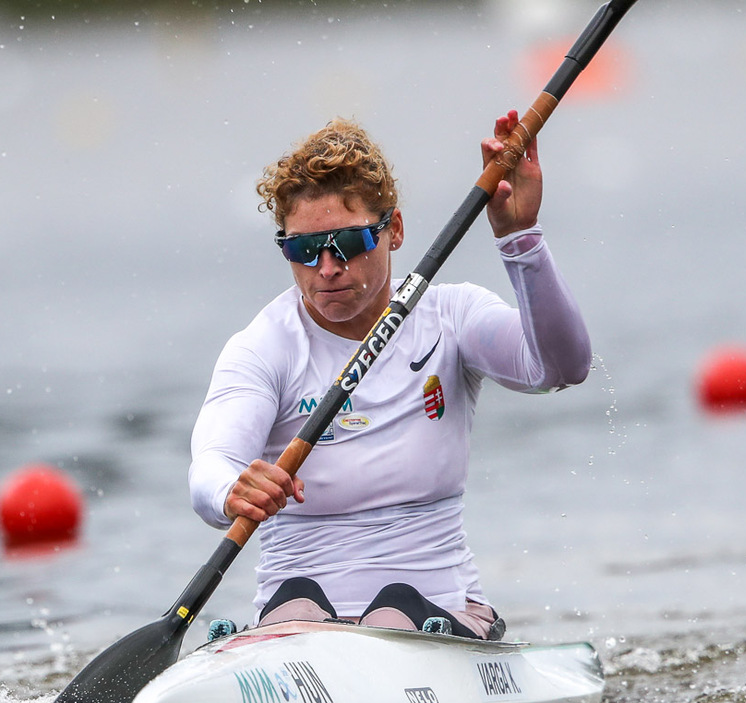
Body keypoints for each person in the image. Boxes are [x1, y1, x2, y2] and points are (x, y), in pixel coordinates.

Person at [188, 111, 591, 640]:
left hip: (434, 609)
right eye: (303, 249)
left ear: (393, 231)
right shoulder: (264, 347)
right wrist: (231, 492)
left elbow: (561, 367)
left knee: (393, 613)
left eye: (347, 243)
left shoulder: (450, 316)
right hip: (297, 626)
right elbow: (209, 466)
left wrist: (520, 238)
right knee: (298, 607)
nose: (327, 268)